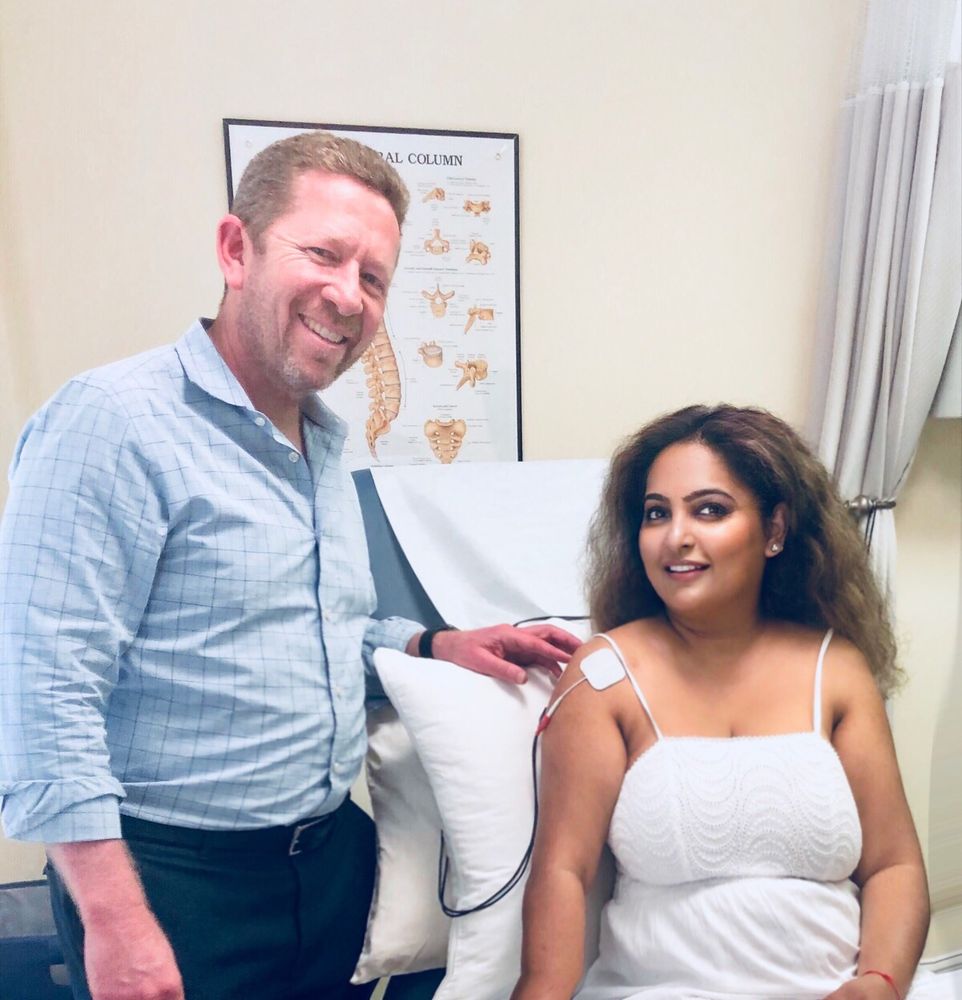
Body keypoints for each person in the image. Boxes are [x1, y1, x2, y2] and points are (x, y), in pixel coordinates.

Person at [0, 130, 580, 1000]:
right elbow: (42, 691)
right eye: (324, 254)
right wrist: (116, 921)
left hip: (330, 863)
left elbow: (312, 630)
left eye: (374, 277)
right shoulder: (112, 423)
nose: (348, 295)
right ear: (237, 250)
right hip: (175, 884)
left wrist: (434, 644)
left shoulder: (322, 447)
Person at [512, 404, 948, 1000]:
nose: (676, 536)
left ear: (774, 530)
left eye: (710, 510)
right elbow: (564, 870)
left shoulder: (836, 669)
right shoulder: (604, 676)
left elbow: (894, 866)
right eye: (657, 513)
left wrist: (880, 982)